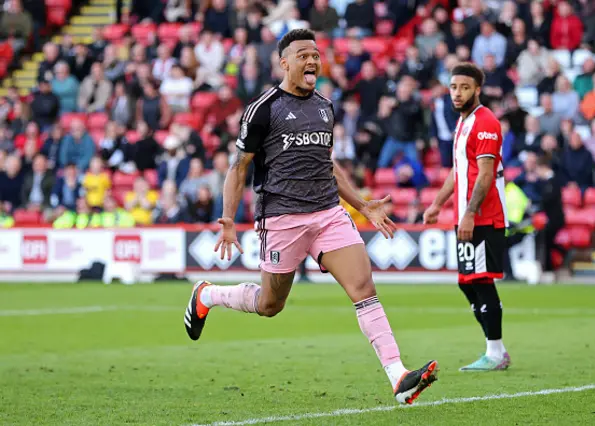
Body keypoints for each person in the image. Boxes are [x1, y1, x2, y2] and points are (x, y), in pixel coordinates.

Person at [182, 29, 438, 405]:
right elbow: (238, 168)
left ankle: (398, 375)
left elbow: (327, 164)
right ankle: (208, 294)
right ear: (284, 62)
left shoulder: (324, 106)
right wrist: (228, 218)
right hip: (282, 218)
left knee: (364, 289)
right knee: (271, 305)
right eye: (303, 55)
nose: (313, 61)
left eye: (316, 55)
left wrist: (362, 204)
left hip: (328, 214)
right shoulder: (263, 109)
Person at [423, 62, 510, 372]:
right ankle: (496, 348)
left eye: (464, 87)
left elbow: (485, 175)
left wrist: (470, 214)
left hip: (484, 216)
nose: (457, 93)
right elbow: (460, 171)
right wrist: (437, 203)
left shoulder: (485, 122)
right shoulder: (464, 123)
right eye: (453, 87)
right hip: (467, 215)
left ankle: (496, 352)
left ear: (477, 89)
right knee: (466, 282)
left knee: (481, 281)